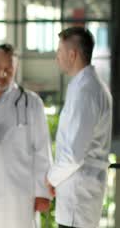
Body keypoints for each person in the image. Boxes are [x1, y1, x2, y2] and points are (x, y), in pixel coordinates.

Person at [0, 43, 53, 228]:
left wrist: (42, 193)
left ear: (16, 68)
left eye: (8, 69)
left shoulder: (31, 103)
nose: (3, 74)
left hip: (21, 194)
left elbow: (42, 150)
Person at [46, 27, 112, 228]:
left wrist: (51, 179)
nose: (56, 57)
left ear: (72, 54)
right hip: (78, 197)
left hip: (78, 200)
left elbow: (73, 154)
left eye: (59, 51)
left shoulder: (86, 91)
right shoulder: (85, 86)